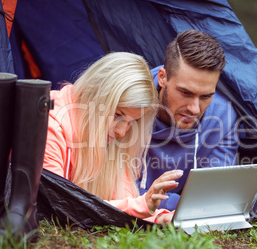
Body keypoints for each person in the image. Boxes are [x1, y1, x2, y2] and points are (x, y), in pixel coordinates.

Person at [43, 52, 182, 225]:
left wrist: (160, 217)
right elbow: (55, 205)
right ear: (95, 96)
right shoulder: (48, 124)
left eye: (132, 122)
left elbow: (124, 204)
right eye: (118, 115)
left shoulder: (111, 140)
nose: (122, 132)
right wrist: (142, 205)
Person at [138, 30, 239, 210]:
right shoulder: (130, 103)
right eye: (186, 93)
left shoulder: (223, 114)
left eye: (206, 96)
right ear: (162, 77)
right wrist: (182, 204)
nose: (195, 109)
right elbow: (113, 189)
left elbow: (215, 192)